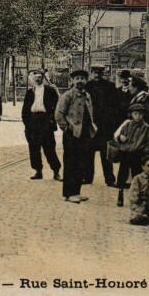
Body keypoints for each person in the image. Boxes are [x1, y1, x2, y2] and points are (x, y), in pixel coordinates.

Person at [54, 69, 96, 204]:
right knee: (71, 164)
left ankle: (76, 191)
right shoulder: (67, 95)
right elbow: (58, 114)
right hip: (72, 134)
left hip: (84, 134)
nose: (79, 81)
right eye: (77, 78)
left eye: (82, 79)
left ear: (86, 81)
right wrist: (66, 129)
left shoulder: (87, 95)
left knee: (81, 164)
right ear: (72, 81)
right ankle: (69, 193)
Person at [21, 69, 62, 181]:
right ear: (32, 79)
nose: (37, 79)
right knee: (34, 148)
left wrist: (51, 120)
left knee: (49, 148)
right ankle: (38, 171)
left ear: (43, 78)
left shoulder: (50, 90)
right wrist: (27, 124)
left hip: (45, 121)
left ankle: (56, 171)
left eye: (39, 77)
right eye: (35, 77)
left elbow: (58, 106)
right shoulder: (30, 92)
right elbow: (25, 110)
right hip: (33, 122)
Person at [114, 103, 149, 208]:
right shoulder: (127, 125)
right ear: (131, 114)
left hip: (138, 154)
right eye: (135, 113)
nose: (138, 116)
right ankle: (120, 193)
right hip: (126, 153)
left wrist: (146, 154)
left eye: (140, 114)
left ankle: (137, 197)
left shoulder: (146, 128)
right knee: (122, 174)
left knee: (137, 175)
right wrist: (120, 138)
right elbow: (119, 137)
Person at [84, 65, 117, 186]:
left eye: (99, 73)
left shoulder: (109, 86)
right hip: (90, 125)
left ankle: (110, 179)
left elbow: (114, 107)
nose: (96, 75)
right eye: (94, 73)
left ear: (102, 73)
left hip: (105, 126)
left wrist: (112, 126)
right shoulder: (87, 86)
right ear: (91, 73)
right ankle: (87, 178)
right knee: (88, 153)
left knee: (106, 154)